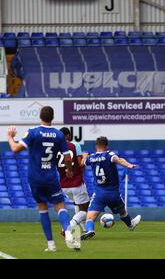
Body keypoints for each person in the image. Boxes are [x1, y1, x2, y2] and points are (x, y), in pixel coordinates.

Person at [6, 106, 80, 252]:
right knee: (60, 206)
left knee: (42, 208)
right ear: (52, 118)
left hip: (35, 177)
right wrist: (69, 170)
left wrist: (10, 136)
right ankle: (68, 231)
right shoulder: (59, 135)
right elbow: (67, 157)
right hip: (51, 176)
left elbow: (15, 149)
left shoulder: (33, 133)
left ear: (40, 116)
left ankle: (51, 245)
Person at [80, 136, 141, 240]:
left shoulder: (92, 157)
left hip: (99, 194)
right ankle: (130, 225)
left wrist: (85, 156)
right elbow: (118, 159)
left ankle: (90, 230)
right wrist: (128, 165)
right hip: (113, 194)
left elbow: (82, 163)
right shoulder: (109, 154)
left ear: (96, 146)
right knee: (122, 212)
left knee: (90, 217)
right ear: (106, 146)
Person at [56, 127, 90, 235]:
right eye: (69, 135)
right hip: (76, 182)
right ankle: (68, 227)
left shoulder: (55, 148)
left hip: (64, 185)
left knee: (77, 205)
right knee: (86, 210)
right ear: (67, 136)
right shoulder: (75, 145)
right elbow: (80, 164)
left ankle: (84, 231)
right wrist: (85, 156)